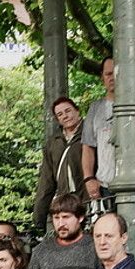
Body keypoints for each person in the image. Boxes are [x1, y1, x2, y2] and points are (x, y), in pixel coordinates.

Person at [81, 57, 135, 202]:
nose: (112, 77)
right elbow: (88, 146)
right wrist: (88, 178)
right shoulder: (95, 108)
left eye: (117, 73)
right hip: (105, 185)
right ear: (102, 77)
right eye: (108, 74)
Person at [32, 97, 86, 235]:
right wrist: (39, 215)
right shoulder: (53, 142)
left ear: (77, 110)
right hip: (65, 200)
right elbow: (46, 180)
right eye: (60, 114)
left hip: (88, 197)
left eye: (68, 111)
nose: (65, 116)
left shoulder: (89, 132)